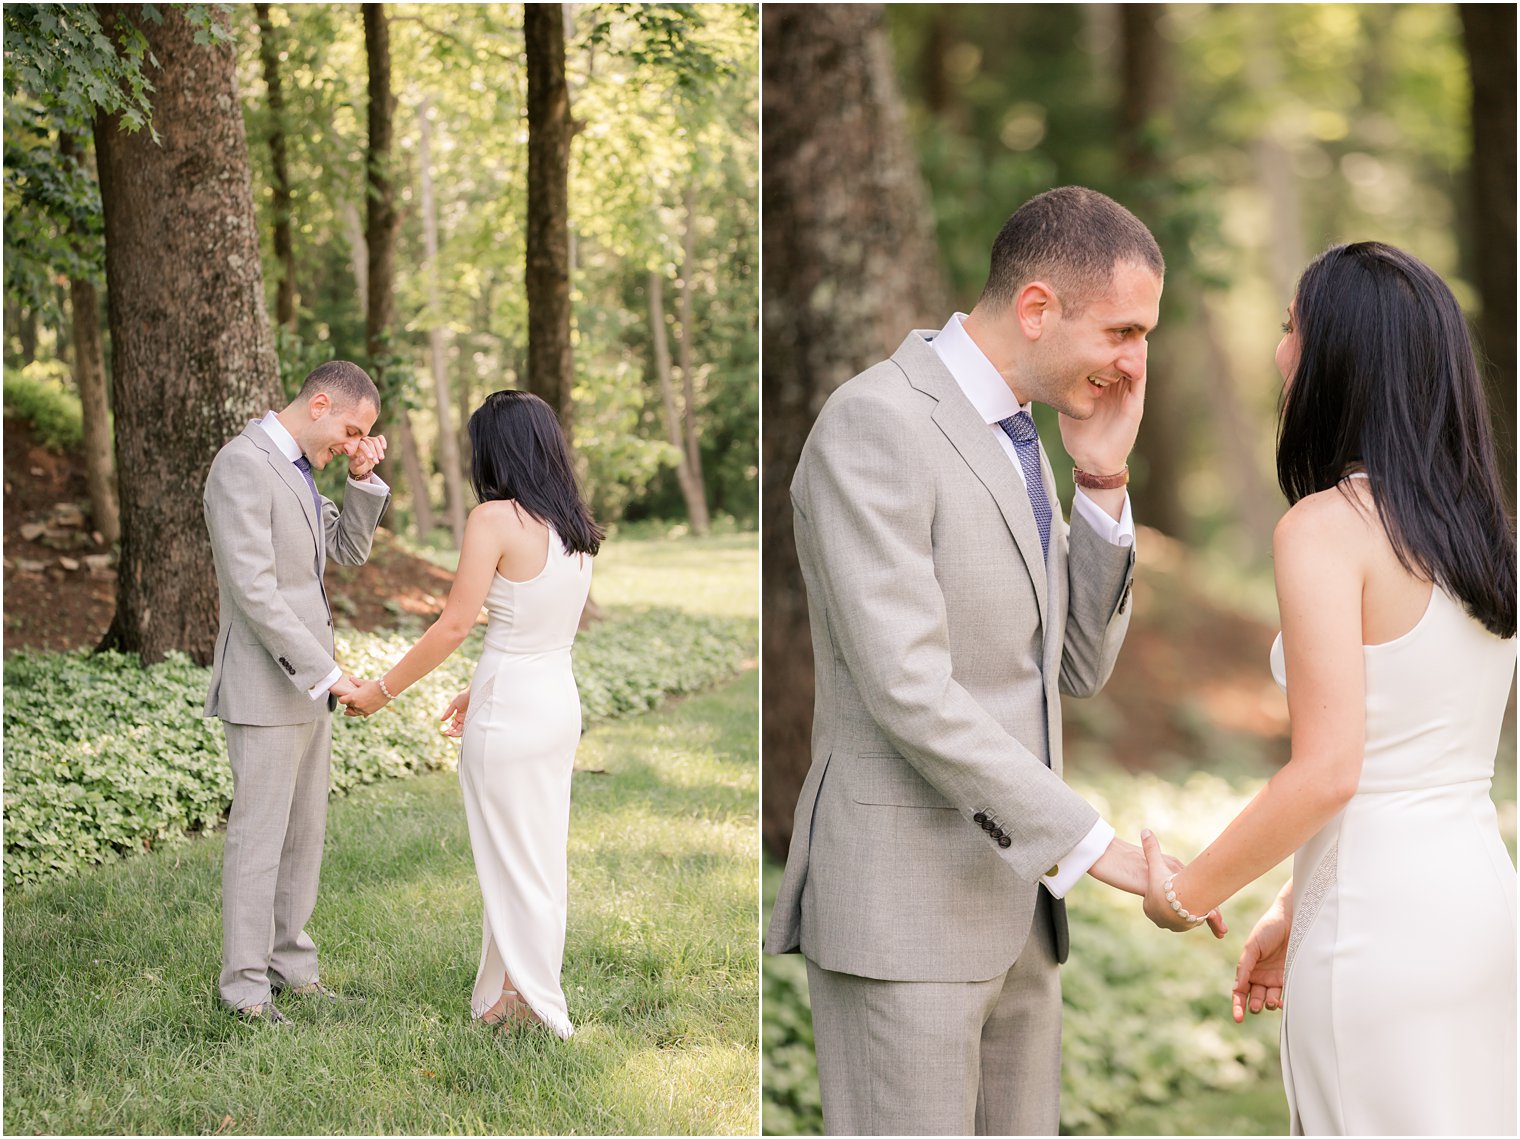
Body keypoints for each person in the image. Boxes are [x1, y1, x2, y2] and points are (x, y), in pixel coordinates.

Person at [764, 186, 1221, 1135]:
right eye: (1124, 332)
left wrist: (1100, 478)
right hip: (904, 913)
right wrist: (1092, 847)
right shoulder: (875, 423)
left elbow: (1077, 665)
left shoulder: (1021, 436)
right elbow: (909, 688)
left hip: (1014, 909)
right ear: (1038, 307)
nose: (1138, 364)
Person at [1139, 241, 1517, 1135]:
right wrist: (1291, 902)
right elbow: (1410, 749)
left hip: (1378, 938)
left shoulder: (1325, 529)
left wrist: (1185, 895)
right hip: (1483, 912)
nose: (1279, 355)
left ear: (1345, 357)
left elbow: (1331, 771)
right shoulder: (1487, 539)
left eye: (1291, 331)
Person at [340, 389, 602, 1039]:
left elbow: (457, 623)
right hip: (553, 703)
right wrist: (477, 689)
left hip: (512, 709)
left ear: (495, 451)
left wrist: (382, 689)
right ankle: (516, 993)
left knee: (511, 858)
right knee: (536, 855)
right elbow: (534, 629)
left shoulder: (494, 519)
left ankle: (537, 1001)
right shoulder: (575, 527)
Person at [204, 360, 390, 1024]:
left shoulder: (303, 469)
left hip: (309, 687)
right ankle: (246, 989)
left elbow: (345, 549)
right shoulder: (242, 466)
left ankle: (293, 967)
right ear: (319, 404)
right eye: (351, 429)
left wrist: (362, 480)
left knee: (304, 834)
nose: (353, 441)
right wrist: (331, 672)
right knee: (258, 838)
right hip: (266, 684)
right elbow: (255, 590)